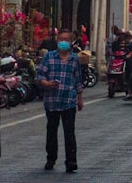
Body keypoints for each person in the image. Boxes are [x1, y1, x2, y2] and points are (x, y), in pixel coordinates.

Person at [36, 29, 84, 173]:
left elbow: (78, 80)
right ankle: (51, 158)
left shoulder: (74, 59)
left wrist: (80, 99)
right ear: (57, 41)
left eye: (66, 39)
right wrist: (47, 84)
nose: (63, 42)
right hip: (52, 101)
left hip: (68, 99)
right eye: (61, 39)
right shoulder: (49, 57)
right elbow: (40, 76)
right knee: (51, 130)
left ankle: (71, 161)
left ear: (70, 42)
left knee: (69, 131)